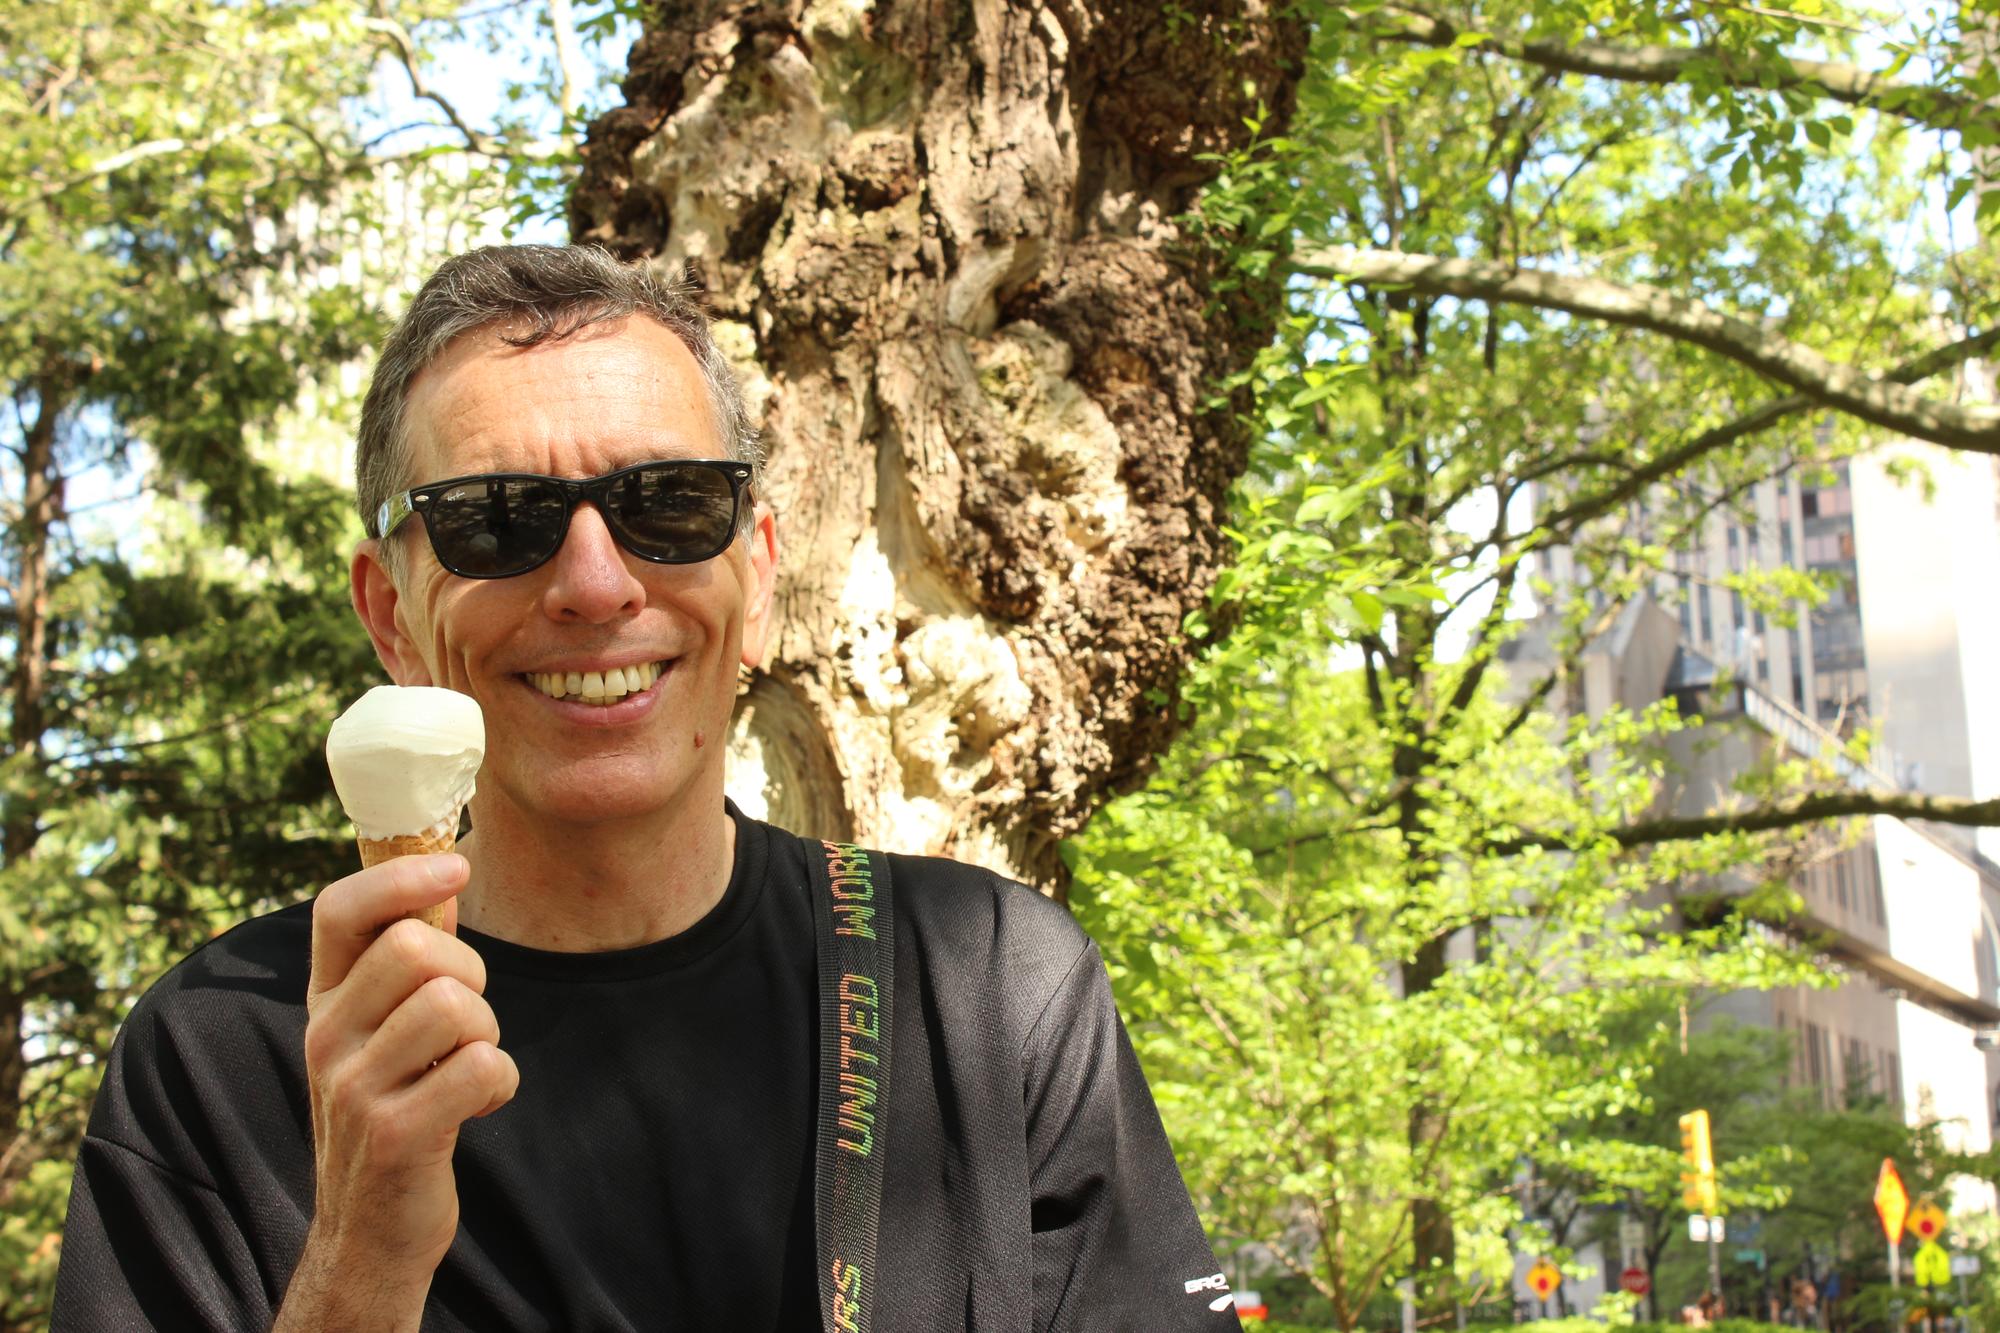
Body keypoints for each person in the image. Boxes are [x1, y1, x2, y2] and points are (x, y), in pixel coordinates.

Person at [50, 245, 1236, 1331]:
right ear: (388, 615)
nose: (593, 581)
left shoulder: (988, 986)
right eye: (496, 519)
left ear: (757, 576)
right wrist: (358, 1263)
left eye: (668, 502)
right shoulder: (218, 1056)